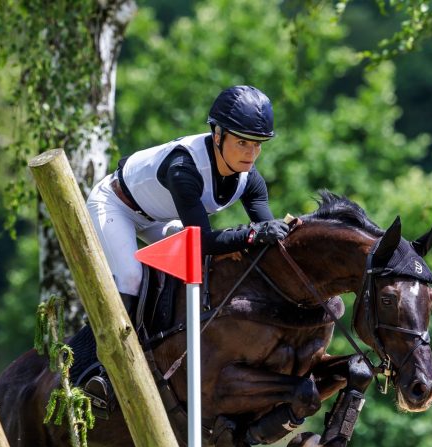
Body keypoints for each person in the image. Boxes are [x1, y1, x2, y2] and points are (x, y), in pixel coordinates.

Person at [83, 85, 289, 410]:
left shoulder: (250, 180)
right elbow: (204, 242)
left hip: (159, 215)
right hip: (116, 205)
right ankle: (103, 369)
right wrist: (252, 234)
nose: (251, 153)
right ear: (218, 134)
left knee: (199, 271)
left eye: (257, 145)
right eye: (242, 143)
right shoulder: (185, 168)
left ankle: (161, 348)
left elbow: (270, 237)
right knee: (131, 277)